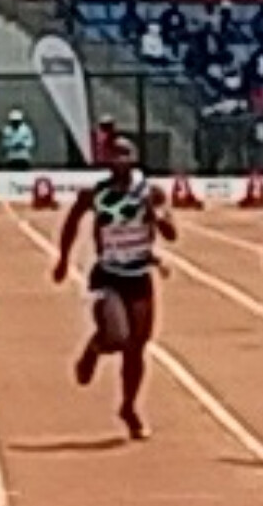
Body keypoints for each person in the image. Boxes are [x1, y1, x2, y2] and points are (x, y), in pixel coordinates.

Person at [53, 137, 176, 440]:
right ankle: (95, 348)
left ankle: (129, 408)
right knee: (117, 336)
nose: (119, 159)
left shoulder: (150, 192)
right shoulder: (96, 193)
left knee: (137, 347)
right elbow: (72, 222)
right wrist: (63, 259)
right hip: (108, 274)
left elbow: (172, 233)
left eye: (125, 154)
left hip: (139, 275)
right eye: (114, 154)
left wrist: (158, 217)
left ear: (134, 158)